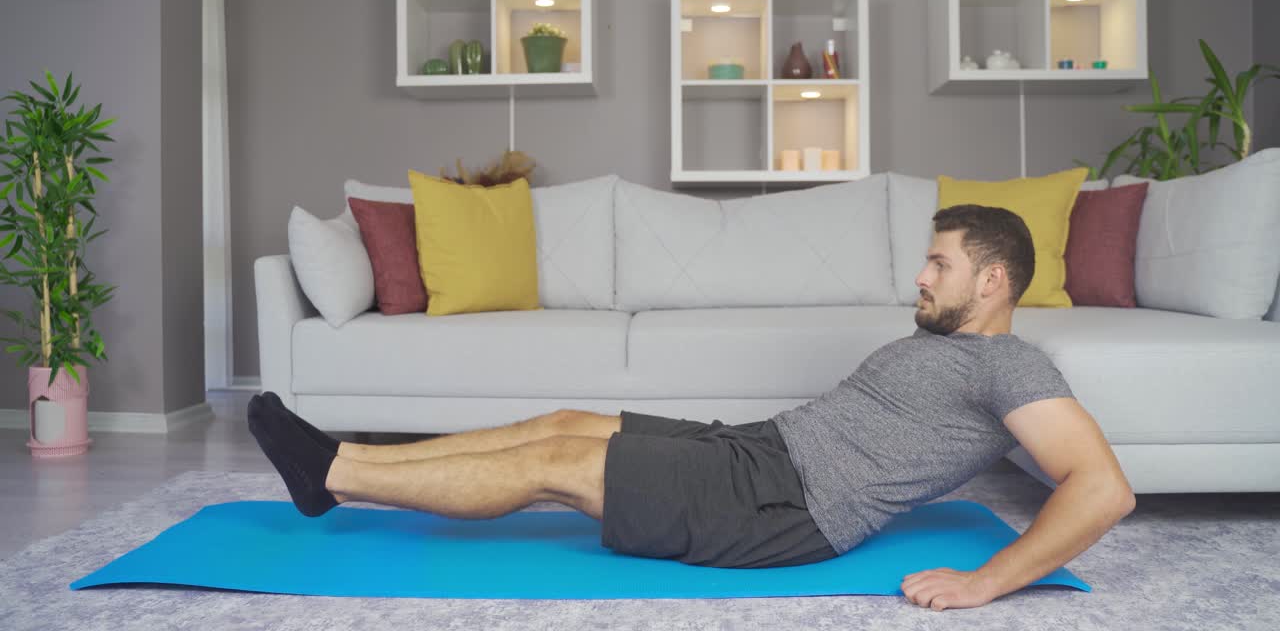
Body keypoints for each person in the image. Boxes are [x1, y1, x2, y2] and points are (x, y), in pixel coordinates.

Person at [247, 203, 1135, 611]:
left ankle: (337, 472)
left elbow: (1102, 489)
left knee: (553, 470)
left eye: (938, 265)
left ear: (993, 281)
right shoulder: (947, 345)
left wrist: (986, 584)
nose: (919, 275)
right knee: (562, 423)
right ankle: (335, 465)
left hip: (785, 508)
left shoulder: (1011, 364)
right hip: (761, 452)